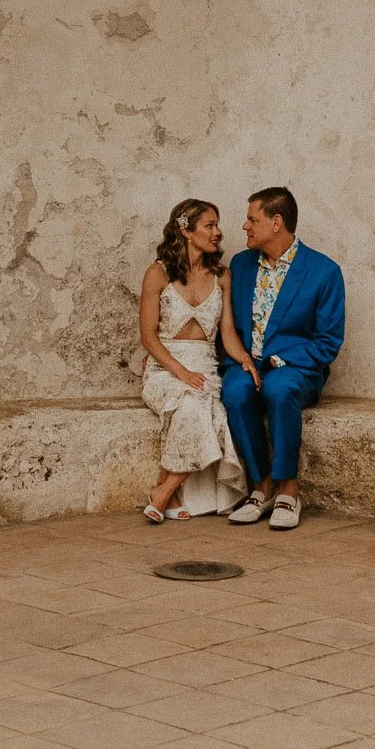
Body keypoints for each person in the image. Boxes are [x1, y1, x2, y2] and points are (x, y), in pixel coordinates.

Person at [221, 186, 345, 530]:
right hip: (247, 364)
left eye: (252, 219)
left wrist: (279, 360)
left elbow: (328, 341)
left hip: (298, 369)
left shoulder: (324, 272)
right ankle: (259, 489)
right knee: (234, 391)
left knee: (278, 389)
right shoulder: (241, 264)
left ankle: (289, 491)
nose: (244, 226)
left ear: (277, 222)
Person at [138, 198, 257, 522]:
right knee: (195, 404)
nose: (218, 232)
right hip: (165, 369)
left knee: (205, 404)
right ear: (187, 231)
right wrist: (180, 371)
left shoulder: (222, 276)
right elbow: (148, 336)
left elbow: (227, 333)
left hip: (205, 367)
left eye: (217, 225)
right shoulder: (157, 273)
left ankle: (164, 490)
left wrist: (244, 358)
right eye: (210, 225)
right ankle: (166, 493)